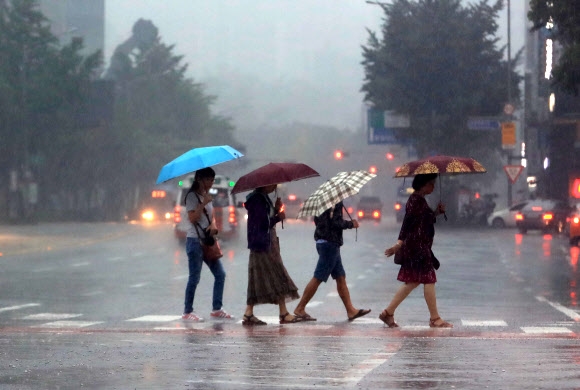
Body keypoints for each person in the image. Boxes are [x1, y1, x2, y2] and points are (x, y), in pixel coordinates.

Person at [380, 173, 452, 328]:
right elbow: (407, 224)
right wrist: (398, 245)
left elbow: (424, 221)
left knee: (413, 281)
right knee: (429, 279)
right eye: (431, 183)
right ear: (423, 185)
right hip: (417, 248)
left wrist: (436, 213)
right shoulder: (416, 201)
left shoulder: (418, 201)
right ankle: (435, 318)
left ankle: (388, 312)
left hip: (418, 247)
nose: (433, 186)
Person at [293, 201, 371, 322]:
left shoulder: (322, 201)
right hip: (330, 244)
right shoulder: (336, 202)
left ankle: (350, 310)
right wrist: (351, 224)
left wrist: (324, 228)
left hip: (323, 241)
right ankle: (300, 308)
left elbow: (317, 221)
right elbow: (336, 222)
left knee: (340, 277)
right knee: (318, 277)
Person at [242, 184, 301, 325]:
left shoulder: (262, 199)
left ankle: (249, 312)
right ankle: (283, 312)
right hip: (262, 244)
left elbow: (265, 218)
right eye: (272, 184)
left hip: (264, 242)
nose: (274, 186)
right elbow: (262, 223)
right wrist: (278, 217)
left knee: (258, 276)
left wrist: (275, 208)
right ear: (264, 184)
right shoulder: (257, 200)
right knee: (277, 273)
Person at [182, 167, 233, 321]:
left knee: (220, 274)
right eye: (208, 180)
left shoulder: (206, 195)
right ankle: (187, 311)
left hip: (207, 242)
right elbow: (192, 218)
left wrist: (214, 224)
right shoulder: (191, 196)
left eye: (212, 179)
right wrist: (203, 203)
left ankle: (217, 308)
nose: (211, 183)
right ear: (199, 180)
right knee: (194, 278)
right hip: (195, 241)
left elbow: (209, 216)